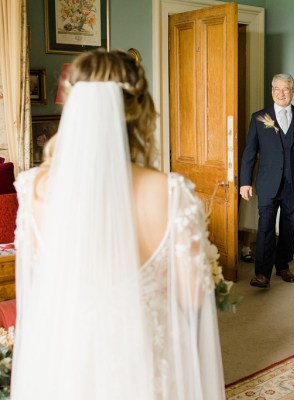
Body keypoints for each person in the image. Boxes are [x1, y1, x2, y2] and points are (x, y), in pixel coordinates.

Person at [10, 49, 225, 399]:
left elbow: (35, 284)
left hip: (64, 364)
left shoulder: (33, 188)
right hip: (141, 364)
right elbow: (192, 295)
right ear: (139, 112)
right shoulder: (170, 193)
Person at [240, 73, 294, 288]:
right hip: (268, 183)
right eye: (277, 89)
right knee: (265, 226)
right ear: (271, 91)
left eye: (286, 89)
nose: (281, 93)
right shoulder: (259, 117)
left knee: (289, 227)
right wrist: (245, 182)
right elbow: (249, 152)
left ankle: (283, 265)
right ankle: (262, 274)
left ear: (293, 91)